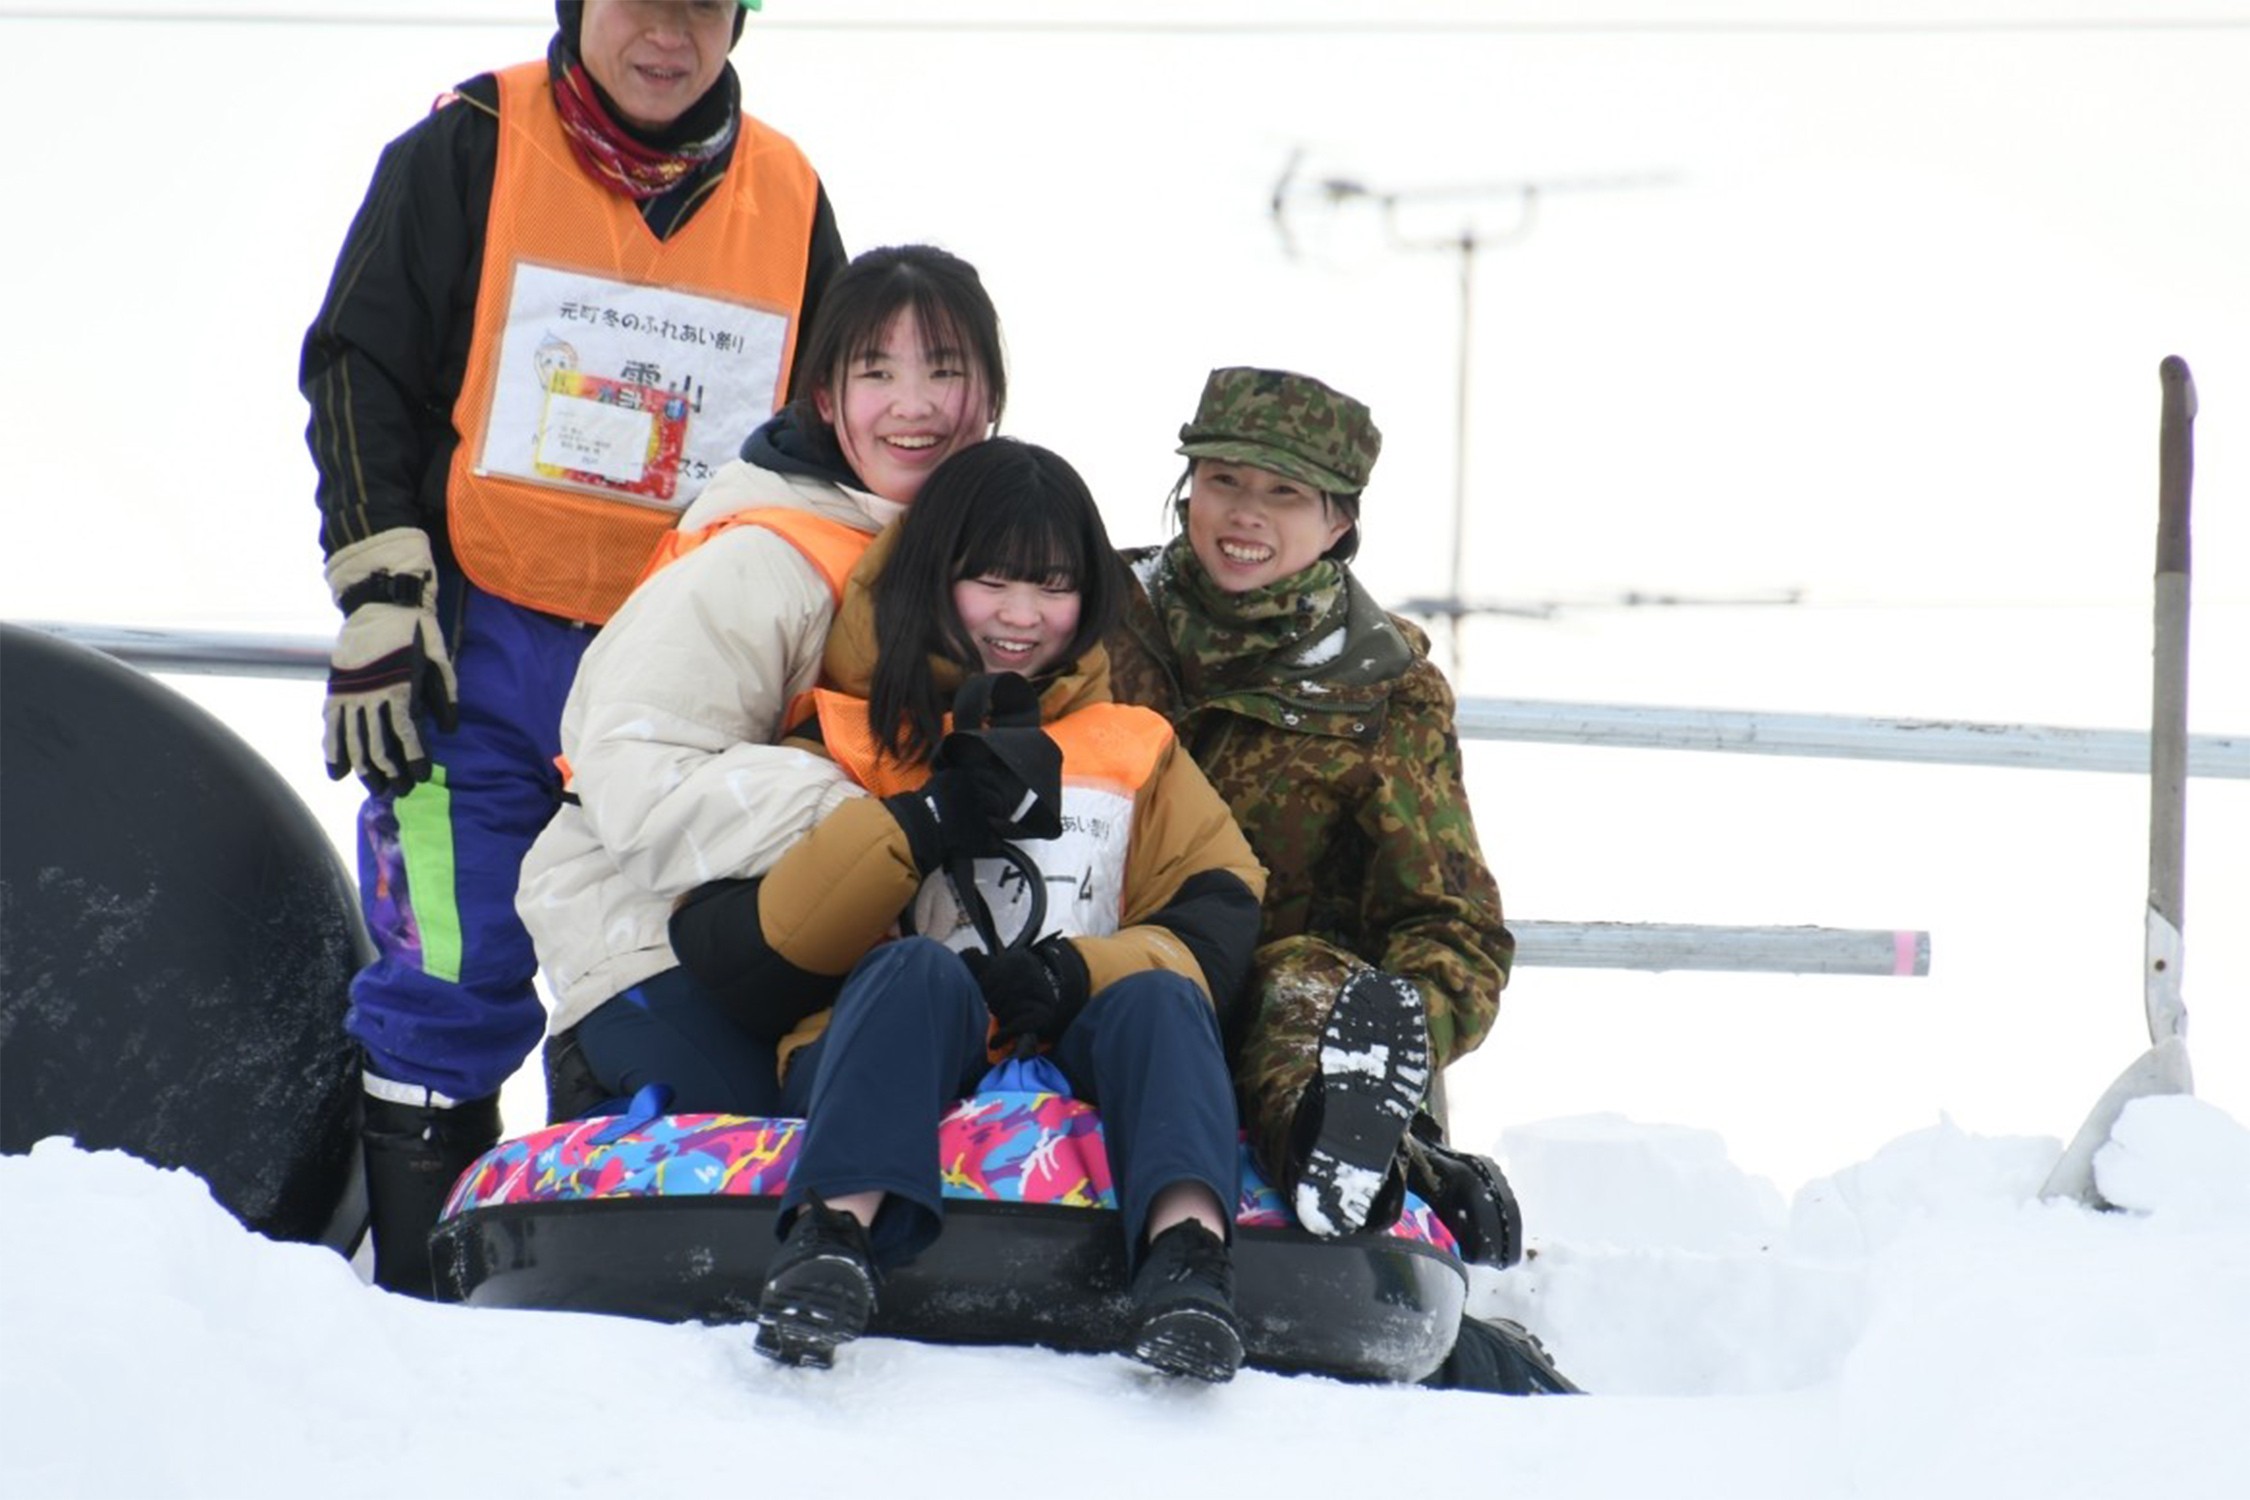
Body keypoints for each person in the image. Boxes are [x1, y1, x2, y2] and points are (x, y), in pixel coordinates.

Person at [299, 0, 846, 1297]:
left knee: (664, 971)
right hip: (486, 653)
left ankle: (623, 1304)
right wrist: (381, 588)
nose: (667, 36)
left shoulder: (790, 195)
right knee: (450, 964)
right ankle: (422, 1317)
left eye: (701, 10)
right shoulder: (470, 146)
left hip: (687, 680)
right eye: (636, 3)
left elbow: (837, 441)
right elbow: (358, 365)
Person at [541, 439, 1268, 1382]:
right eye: (992, 582)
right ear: (935, 576)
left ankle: (1186, 1264)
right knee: (916, 969)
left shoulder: (1135, 748)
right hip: (879, 1037)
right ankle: (832, 1239)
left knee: (1164, 998)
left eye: (1052, 588)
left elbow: (1217, 916)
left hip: (1068, 1040)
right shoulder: (845, 732)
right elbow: (744, 949)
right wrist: (913, 826)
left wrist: (1075, 974)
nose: (1021, 617)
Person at [518, 242, 1005, 1119]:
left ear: (990, 399)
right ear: (825, 398)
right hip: (656, 951)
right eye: (877, 372)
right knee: (782, 1169)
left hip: (851, 954)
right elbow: (637, 784)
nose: (915, 405)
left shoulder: (990, 569)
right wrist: (863, 821)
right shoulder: (759, 559)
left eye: (945, 369)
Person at [1105, 366, 1515, 1243]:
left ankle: (1341, 1146)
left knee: (1309, 991)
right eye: (1223, 480)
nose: (1245, 513)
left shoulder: (1383, 692)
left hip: (1261, 1013)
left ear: (1339, 522)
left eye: (1283, 493)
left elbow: (1451, 927)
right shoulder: (1089, 611)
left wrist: (1401, 1045)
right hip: (1088, 963)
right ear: (1188, 491)